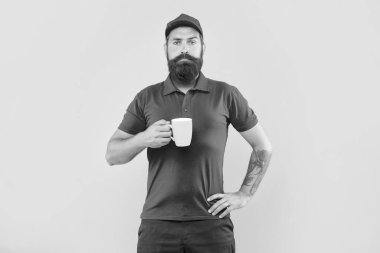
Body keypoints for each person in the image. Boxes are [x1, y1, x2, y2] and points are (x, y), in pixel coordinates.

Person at [105, 13, 273, 253]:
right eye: (177, 42)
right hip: (157, 225)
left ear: (202, 47)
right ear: (166, 49)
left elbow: (263, 146)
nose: (184, 49)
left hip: (212, 224)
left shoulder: (226, 94)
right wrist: (144, 138)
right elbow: (112, 155)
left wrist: (244, 194)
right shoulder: (147, 97)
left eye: (192, 42)